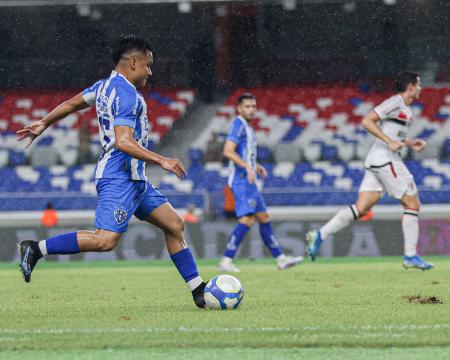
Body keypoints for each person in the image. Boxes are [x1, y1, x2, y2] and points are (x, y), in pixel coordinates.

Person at [16, 35, 207, 308]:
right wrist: (161, 160)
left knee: (175, 224)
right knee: (105, 241)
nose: (150, 72)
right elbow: (123, 141)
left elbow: (71, 104)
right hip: (118, 177)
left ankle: (198, 291)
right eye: (147, 65)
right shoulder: (128, 95)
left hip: (135, 179)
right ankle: (36, 248)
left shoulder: (104, 86)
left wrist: (43, 123)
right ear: (133, 62)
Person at [306, 71, 433, 270]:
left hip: (377, 160)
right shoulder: (395, 102)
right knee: (412, 204)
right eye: (418, 84)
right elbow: (367, 120)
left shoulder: (405, 109)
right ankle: (410, 255)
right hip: (386, 160)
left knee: (361, 208)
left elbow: (392, 135)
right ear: (409, 86)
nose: (420, 88)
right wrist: (389, 141)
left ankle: (320, 234)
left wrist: (409, 143)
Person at [218, 93, 303, 272]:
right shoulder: (238, 124)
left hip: (250, 181)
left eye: (253, 107)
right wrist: (248, 168)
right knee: (247, 220)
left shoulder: (248, 127)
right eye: (247, 106)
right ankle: (226, 260)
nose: (251, 110)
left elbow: (244, 154)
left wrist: (255, 166)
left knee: (264, 218)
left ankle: (280, 259)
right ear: (239, 109)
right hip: (241, 181)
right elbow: (228, 151)